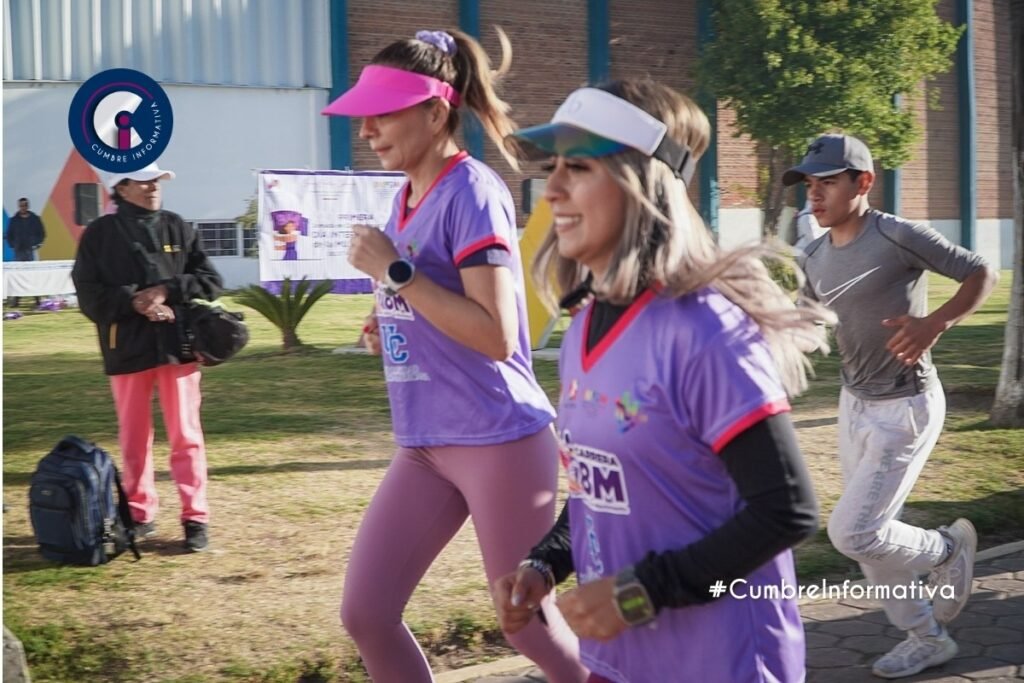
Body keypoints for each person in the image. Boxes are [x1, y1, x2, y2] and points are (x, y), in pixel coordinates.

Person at [492, 80, 833, 683]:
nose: (554, 189)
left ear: (640, 184)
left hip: (721, 661)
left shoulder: (705, 330)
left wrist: (637, 594)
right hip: (618, 661)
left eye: (579, 167)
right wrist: (544, 563)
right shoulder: (585, 324)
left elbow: (786, 509)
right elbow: (609, 486)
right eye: (554, 168)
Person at [321, 29, 587, 683]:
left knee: (523, 621)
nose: (369, 130)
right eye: (366, 115)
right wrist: (390, 311)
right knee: (367, 611)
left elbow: (497, 332)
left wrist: (399, 274)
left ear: (436, 111)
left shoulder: (473, 190)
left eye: (384, 112)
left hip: (497, 436)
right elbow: (432, 298)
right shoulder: (406, 194)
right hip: (426, 442)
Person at [782, 133, 999, 679]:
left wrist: (933, 324)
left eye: (827, 183)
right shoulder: (812, 254)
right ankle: (926, 637)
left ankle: (947, 548)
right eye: (810, 184)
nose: (816, 194)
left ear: (863, 182)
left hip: (906, 406)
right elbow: (810, 328)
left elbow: (980, 272)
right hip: (854, 404)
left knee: (852, 532)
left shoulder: (897, 235)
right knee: (868, 544)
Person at [71, 162, 223, 553]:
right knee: (134, 437)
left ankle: (195, 516)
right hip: (127, 348)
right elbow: (88, 294)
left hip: (178, 348)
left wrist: (166, 291)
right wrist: (134, 303)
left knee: (186, 435)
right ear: (121, 189)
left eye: (157, 180)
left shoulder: (178, 225)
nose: (153, 187)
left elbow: (210, 279)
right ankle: (140, 514)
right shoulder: (98, 235)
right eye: (143, 181)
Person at [6, 197, 46, 307]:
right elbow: (9, 235)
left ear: (28, 206)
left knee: (33, 275)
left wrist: (36, 243)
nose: (22, 208)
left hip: (30, 250)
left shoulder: (35, 219)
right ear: (19, 206)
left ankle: (37, 299)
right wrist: (13, 245)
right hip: (18, 251)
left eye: (24, 205)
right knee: (18, 275)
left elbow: (42, 233)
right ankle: (16, 301)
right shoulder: (14, 220)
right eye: (21, 206)